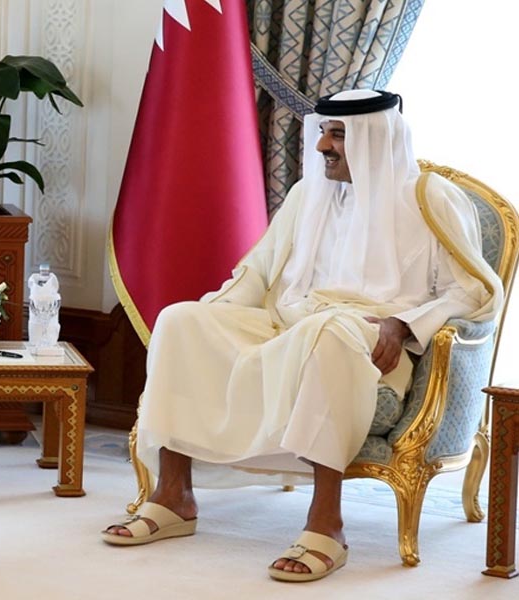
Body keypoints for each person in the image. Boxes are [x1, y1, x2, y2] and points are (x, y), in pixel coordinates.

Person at [100, 89, 503, 582]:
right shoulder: (305, 194)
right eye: (323, 132)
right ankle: (174, 495)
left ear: (376, 138)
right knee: (181, 321)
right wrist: (212, 315)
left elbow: (473, 292)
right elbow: (258, 271)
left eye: (338, 135)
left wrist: (403, 325)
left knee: (329, 333)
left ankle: (326, 523)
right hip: (289, 322)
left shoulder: (429, 198)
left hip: (371, 337)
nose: (322, 146)